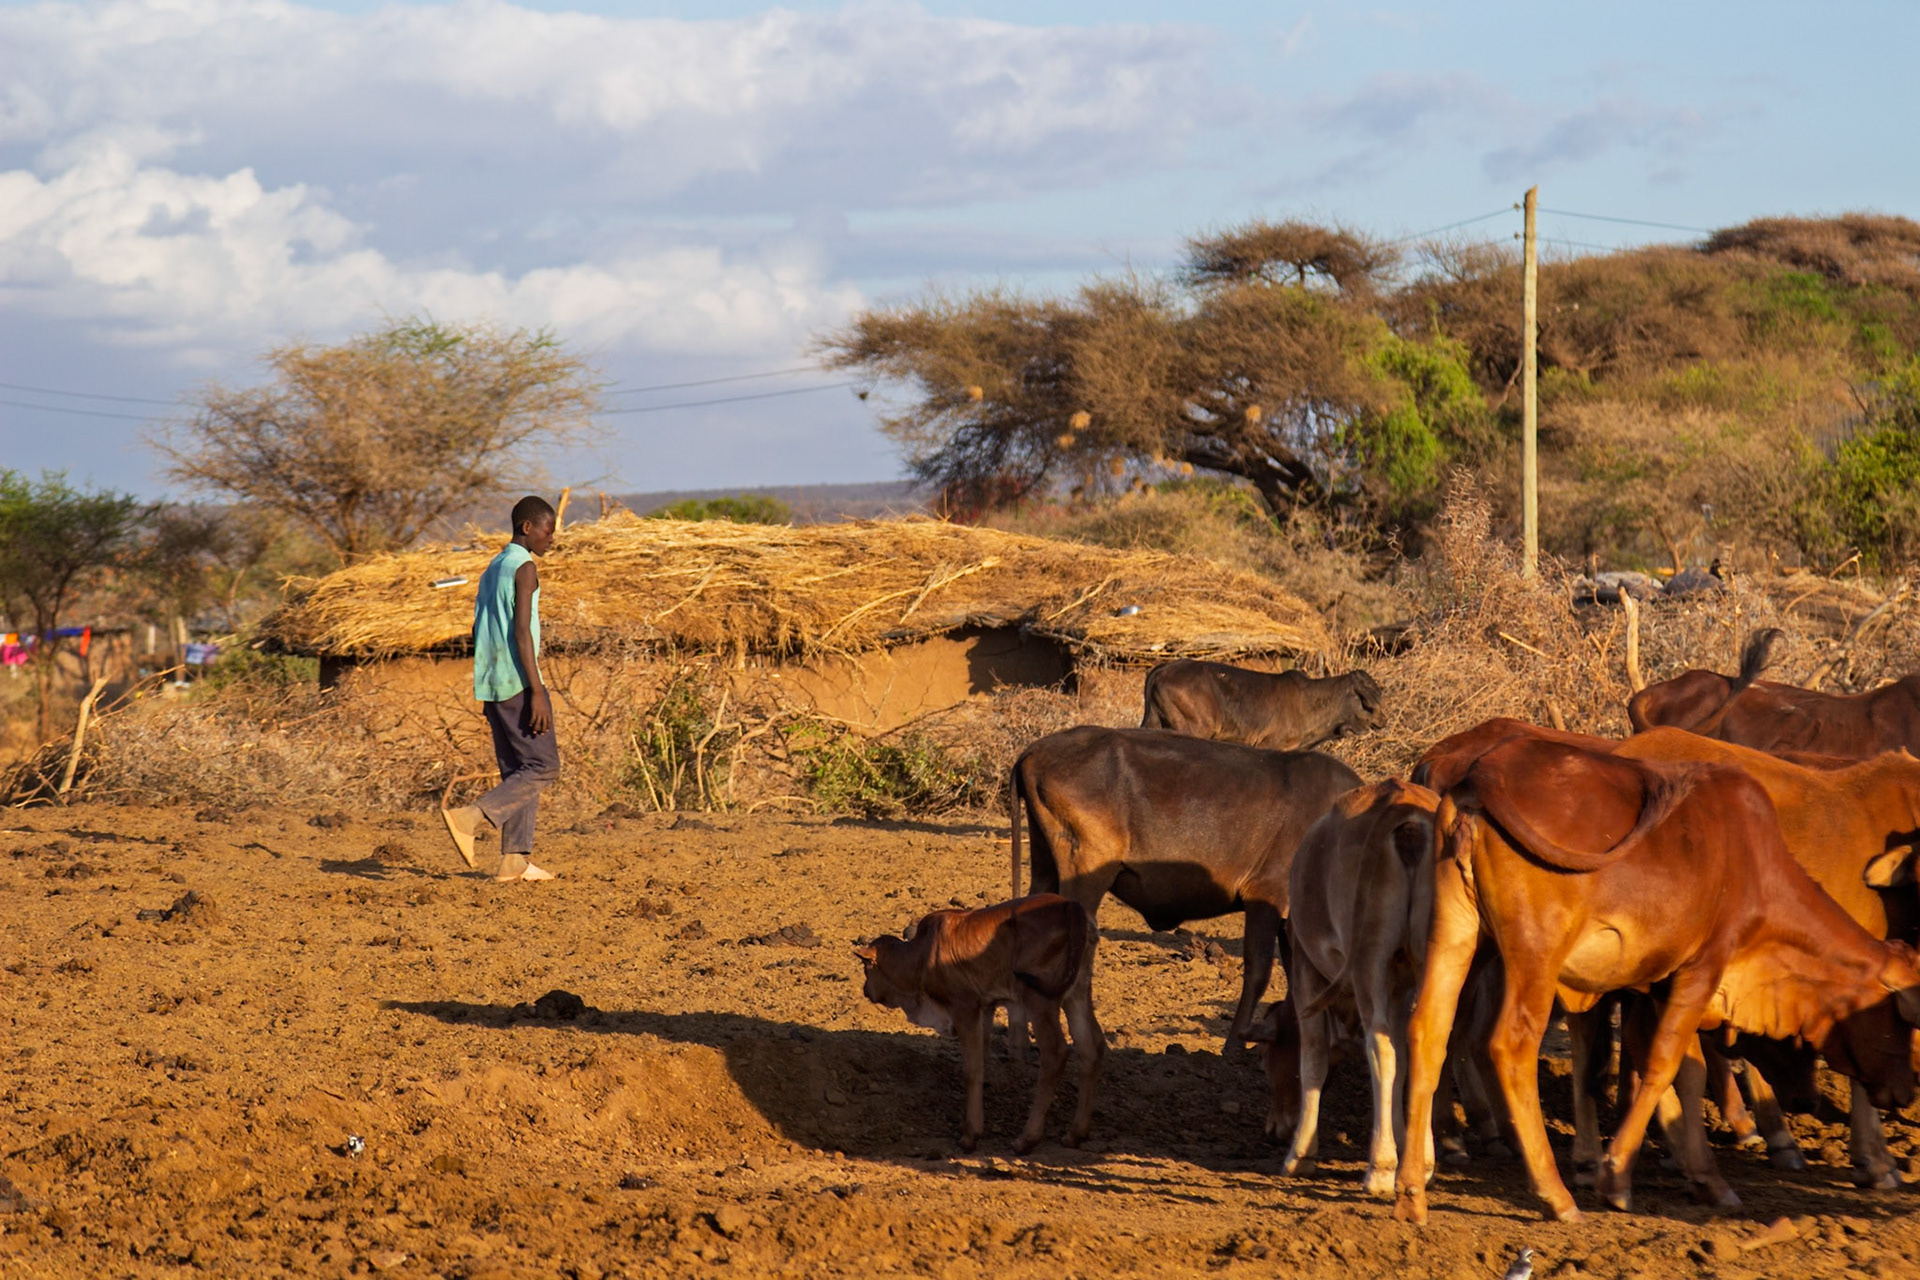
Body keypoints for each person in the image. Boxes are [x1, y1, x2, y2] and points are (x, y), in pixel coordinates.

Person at [441, 495, 560, 881]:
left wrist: (488, 684)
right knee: (543, 766)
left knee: (518, 772)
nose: (552, 539)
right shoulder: (523, 567)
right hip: (518, 683)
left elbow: (479, 629)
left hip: (493, 683)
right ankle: (470, 817)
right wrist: (537, 690)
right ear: (528, 528)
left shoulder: (493, 567)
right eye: (548, 530)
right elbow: (521, 632)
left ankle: (514, 860)